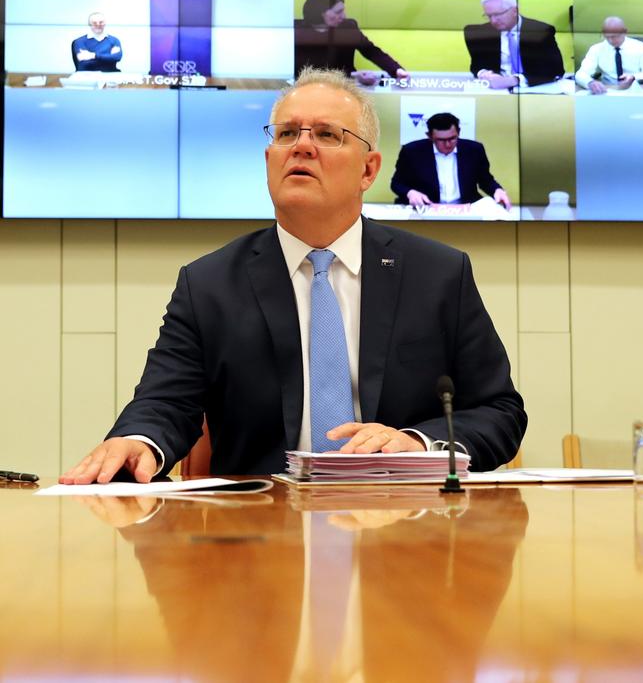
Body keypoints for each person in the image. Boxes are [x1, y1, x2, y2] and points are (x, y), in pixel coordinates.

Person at [60, 67, 526, 485]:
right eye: (287, 134)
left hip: (405, 526)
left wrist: (415, 443)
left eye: (327, 134)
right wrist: (138, 441)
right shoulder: (209, 284)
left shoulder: (438, 274)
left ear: (368, 169)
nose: (302, 145)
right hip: (258, 537)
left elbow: (499, 411)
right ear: (269, 160)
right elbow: (165, 402)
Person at [390, 112, 511, 210]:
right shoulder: (412, 151)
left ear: (459, 132)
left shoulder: (474, 150)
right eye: (441, 140)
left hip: (465, 207)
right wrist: (410, 192)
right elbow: (396, 183)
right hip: (427, 208)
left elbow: (486, 180)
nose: (448, 144)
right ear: (430, 136)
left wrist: (497, 190)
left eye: (452, 138)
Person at [294, 0, 409, 84]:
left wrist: (396, 70)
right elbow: (306, 71)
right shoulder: (297, 32)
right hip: (308, 88)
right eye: (338, 12)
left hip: (345, 89)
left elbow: (371, 51)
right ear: (320, 13)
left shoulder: (348, 27)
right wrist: (353, 76)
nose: (344, 16)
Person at [464, 0, 565, 89]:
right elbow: (476, 66)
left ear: (515, 11)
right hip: (495, 89)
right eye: (489, 16)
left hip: (532, 88)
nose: (493, 21)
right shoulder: (480, 33)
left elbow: (556, 69)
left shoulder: (541, 31)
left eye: (498, 14)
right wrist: (484, 74)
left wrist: (514, 80)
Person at [575, 16, 643, 94]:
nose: (610, 41)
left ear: (625, 32)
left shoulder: (641, 47)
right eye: (607, 37)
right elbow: (581, 73)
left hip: (636, 88)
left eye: (614, 36)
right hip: (608, 89)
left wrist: (634, 77)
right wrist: (590, 82)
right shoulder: (596, 49)